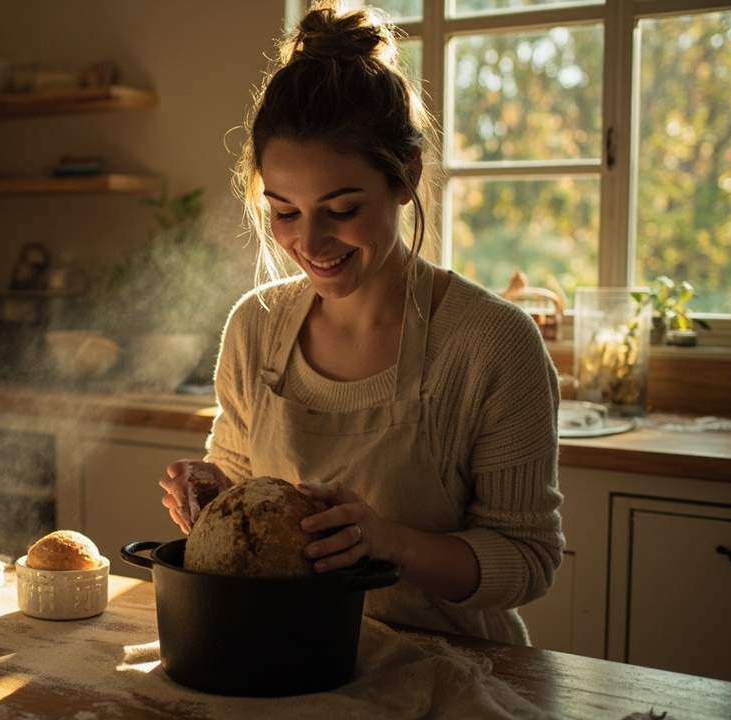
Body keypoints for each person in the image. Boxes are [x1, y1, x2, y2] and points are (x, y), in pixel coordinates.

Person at [158, 2, 563, 645]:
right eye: (284, 212)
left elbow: (528, 561)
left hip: (450, 667)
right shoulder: (255, 328)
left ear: (407, 177)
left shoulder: (493, 345)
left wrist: (388, 541)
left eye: (342, 209)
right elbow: (238, 479)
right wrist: (213, 496)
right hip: (284, 657)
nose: (310, 242)